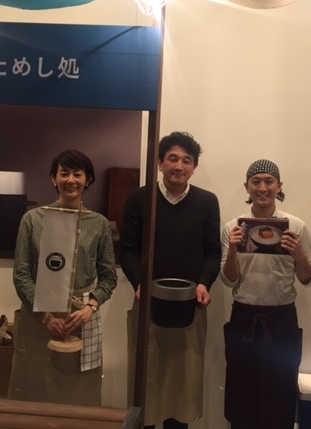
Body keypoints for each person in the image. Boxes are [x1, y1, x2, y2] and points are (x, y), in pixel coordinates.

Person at [120, 131, 221, 429]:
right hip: (147, 302)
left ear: (194, 167)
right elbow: (128, 251)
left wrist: (204, 284)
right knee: (146, 381)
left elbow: (212, 253)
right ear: (160, 163)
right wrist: (138, 282)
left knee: (183, 384)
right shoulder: (140, 199)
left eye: (186, 160)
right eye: (173, 159)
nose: (179, 166)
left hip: (190, 305)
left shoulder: (206, 202)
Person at [7, 149, 117, 406]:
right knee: (34, 390)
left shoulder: (99, 223)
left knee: (79, 395)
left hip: (82, 316)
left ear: (88, 180)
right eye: (64, 173)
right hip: (37, 317)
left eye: (77, 174)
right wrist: (45, 316)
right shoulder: (33, 219)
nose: (70, 180)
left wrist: (90, 307)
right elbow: (21, 274)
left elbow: (108, 277)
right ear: (53, 179)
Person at [220, 159, 311, 429]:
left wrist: (298, 254)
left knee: (281, 393)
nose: (262, 188)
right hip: (244, 317)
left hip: (282, 319)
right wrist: (232, 250)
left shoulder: (295, 226)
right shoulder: (233, 228)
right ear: (247, 187)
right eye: (256, 182)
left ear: (279, 186)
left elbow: (308, 279)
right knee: (241, 393)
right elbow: (228, 280)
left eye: (268, 181)